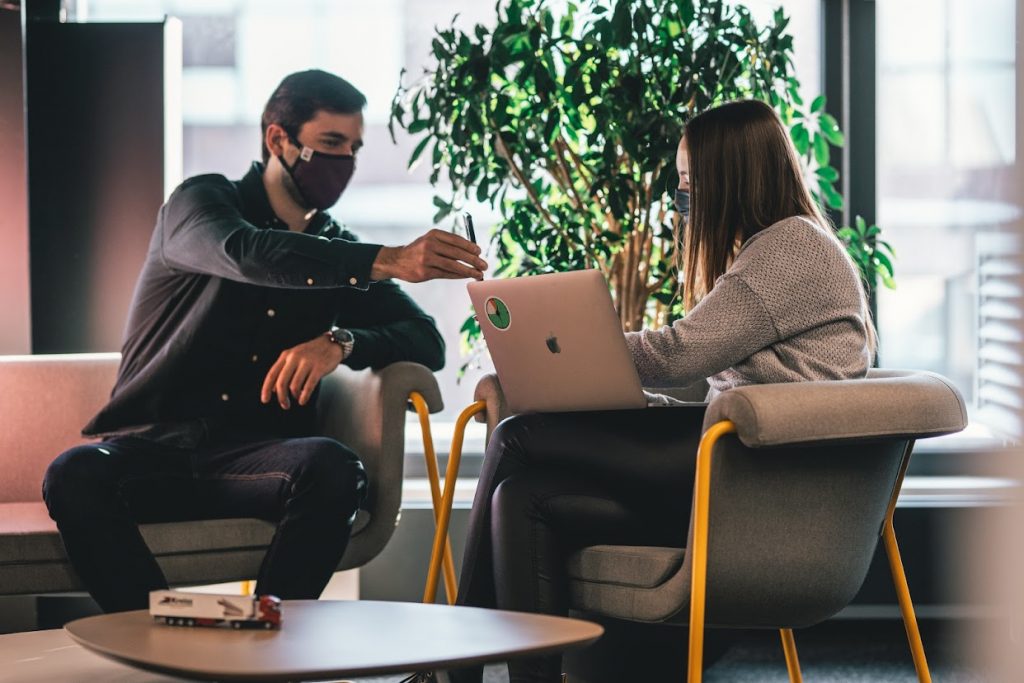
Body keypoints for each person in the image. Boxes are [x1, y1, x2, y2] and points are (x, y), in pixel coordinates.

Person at [447, 99, 874, 683]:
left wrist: (578, 346)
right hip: (731, 465)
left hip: (758, 478)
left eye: (692, 184)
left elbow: (680, 354)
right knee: (522, 497)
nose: (685, 200)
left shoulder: (790, 246)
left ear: (731, 180)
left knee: (519, 435)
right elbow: (732, 385)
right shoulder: (778, 246)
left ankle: (451, 662)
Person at [41, 69, 487, 614]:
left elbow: (427, 340)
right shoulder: (200, 204)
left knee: (334, 468)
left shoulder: (334, 246)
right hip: (154, 449)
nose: (344, 162)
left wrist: (341, 342)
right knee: (72, 474)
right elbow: (247, 253)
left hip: (254, 462)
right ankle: (151, 636)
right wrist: (389, 259)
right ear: (278, 139)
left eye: (353, 148)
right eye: (329, 144)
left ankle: (264, 641)